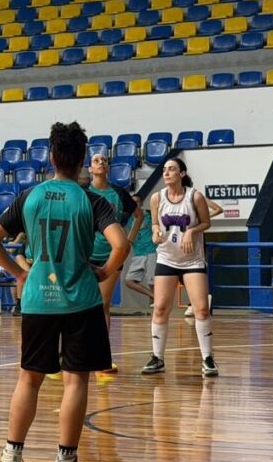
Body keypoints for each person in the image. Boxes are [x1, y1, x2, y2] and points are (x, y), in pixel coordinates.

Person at [0, 121, 128, 462]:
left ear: (51, 156)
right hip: (81, 300)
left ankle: (10, 457)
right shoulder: (91, 200)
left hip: (38, 300)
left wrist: (20, 273)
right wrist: (104, 271)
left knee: (29, 378)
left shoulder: (30, 197)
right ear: (81, 160)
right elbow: (121, 244)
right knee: (76, 381)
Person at [142, 158, 218, 377]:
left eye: (172, 169)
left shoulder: (195, 196)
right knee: (160, 308)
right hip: (167, 258)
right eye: (165, 170)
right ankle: (157, 358)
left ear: (182, 174)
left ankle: (208, 359)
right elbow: (155, 223)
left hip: (192, 260)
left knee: (201, 309)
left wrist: (191, 231)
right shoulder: (157, 198)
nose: (166, 173)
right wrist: (155, 232)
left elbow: (206, 222)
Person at [85, 153, 138, 371]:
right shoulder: (83, 192)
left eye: (104, 160)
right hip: (86, 254)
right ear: (89, 168)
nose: (101, 163)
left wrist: (129, 240)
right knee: (81, 304)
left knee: (102, 304)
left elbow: (139, 215)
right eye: (96, 161)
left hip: (111, 254)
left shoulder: (118, 193)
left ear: (108, 167)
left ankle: (101, 355)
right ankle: (75, 352)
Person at [123, 196, 156, 307]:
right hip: (138, 253)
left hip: (152, 250)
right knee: (129, 281)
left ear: (141, 203)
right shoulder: (128, 218)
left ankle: (154, 305)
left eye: (137, 201)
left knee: (152, 282)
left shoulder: (150, 215)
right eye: (132, 202)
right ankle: (154, 297)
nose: (135, 204)